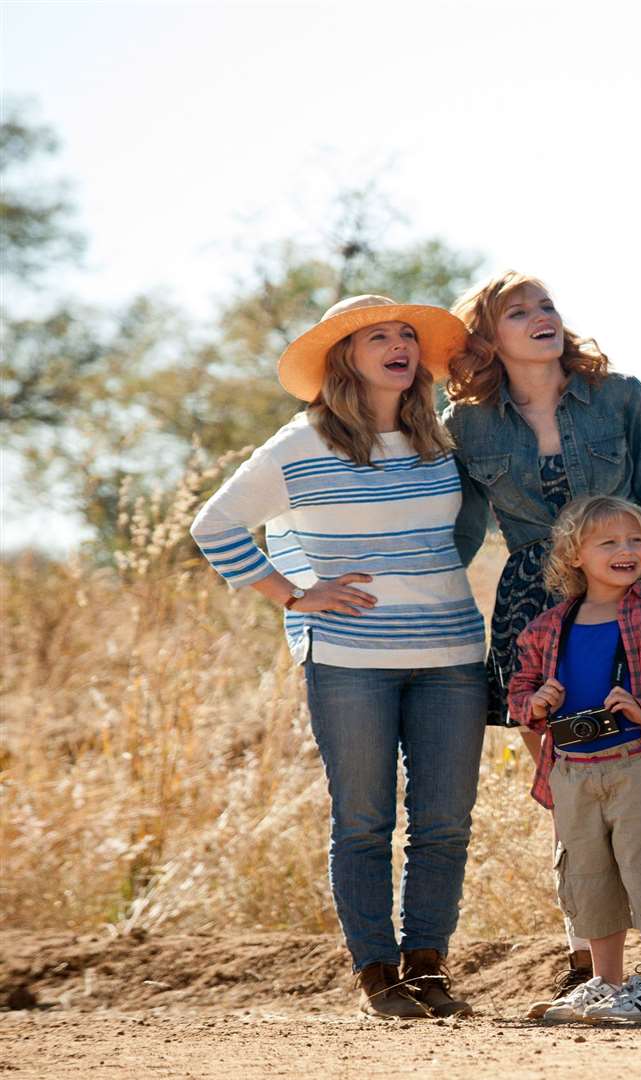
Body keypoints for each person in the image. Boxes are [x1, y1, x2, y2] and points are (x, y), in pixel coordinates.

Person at [189, 295, 486, 1019]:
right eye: (378, 336)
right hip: (350, 660)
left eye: (407, 335)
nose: (399, 346)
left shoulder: (441, 439)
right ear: (343, 358)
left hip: (452, 651)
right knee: (363, 820)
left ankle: (428, 965)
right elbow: (215, 524)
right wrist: (292, 594)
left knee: (445, 820)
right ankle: (377, 973)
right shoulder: (302, 442)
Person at [443, 270, 641, 992]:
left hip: (626, 598)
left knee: (638, 774)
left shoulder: (621, 395)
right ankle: (589, 961)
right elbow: (457, 532)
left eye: (546, 305)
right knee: (567, 780)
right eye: (519, 312)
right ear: (486, 336)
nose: (542, 317)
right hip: (529, 610)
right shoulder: (467, 425)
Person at [508, 496, 641, 1024]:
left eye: (636, 541)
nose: (626, 551)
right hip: (571, 770)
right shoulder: (546, 628)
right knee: (587, 875)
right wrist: (534, 705)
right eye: (609, 542)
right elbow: (518, 691)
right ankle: (604, 982)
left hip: (640, 762)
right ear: (574, 554)